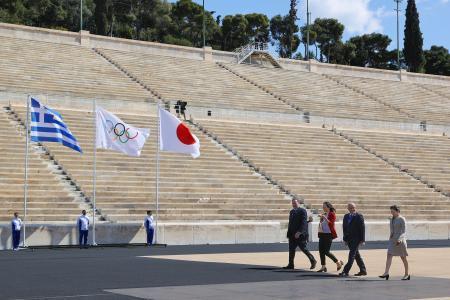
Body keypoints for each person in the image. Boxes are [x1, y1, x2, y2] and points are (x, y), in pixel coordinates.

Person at [283, 199, 317, 270]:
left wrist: (299, 232)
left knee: (303, 248)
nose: (293, 204)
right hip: (292, 234)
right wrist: (289, 233)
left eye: (295, 203)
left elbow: (303, 222)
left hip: (300, 235)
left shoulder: (302, 211)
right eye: (292, 203)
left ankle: (313, 260)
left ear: (298, 203)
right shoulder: (291, 211)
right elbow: (291, 223)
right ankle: (291, 264)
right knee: (291, 249)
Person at [379, 205, 410, 280]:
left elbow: (404, 231)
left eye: (393, 211)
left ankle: (407, 274)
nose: (391, 213)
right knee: (389, 255)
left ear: (398, 211)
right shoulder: (392, 219)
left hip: (400, 241)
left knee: (403, 257)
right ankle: (386, 273)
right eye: (391, 211)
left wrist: (400, 239)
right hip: (392, 240)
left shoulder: (402, 219)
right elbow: (392, 229)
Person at [339, 203, 367, 277]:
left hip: (356, 239)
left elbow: (362, 228)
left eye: (354, 207)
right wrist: (344, 239)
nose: (352, 209)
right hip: (349, 239)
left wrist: (363, 240)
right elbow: (344, 228)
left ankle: (345, 271)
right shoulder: (346, 216)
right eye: (351, 207)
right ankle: (363, 270)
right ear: (348, 208)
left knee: (351, 255)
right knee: (356, 255)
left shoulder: (359, 216)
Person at [317, 202, 344, 272]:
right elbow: (322, 224)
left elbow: (331, 224)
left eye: (324, 206)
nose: (323, 208)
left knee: (326, 251)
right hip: (322, 234)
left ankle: (338, 262)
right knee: (321, 251)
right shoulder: (324, 214)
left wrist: (324, 218)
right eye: (322, 206)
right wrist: (321, 219)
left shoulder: (332, 214)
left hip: (329, 235)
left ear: (328, 207)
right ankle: (323, 266)